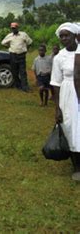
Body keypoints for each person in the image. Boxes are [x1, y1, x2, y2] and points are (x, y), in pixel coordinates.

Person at [50, 22, 80, 181]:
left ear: (75, 35)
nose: (64, 38)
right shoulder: (59, 57)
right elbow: (55, 83)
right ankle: (76, 167)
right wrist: (57, 108)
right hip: (68, 95)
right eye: (61, 36)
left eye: (67, 35)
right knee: (70, 129)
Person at [1, 22, 32, 91]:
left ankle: (25, 87)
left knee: (22, 72)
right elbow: (2, 42)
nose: (13, 29)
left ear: (17, 28)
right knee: (14, 71)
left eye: (14, 28)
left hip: (21, 55)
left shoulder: (23, 34)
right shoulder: (9, 36)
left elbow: (29, 42)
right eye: (12, 28)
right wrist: (8, 46)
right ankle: (18, 85)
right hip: (13, 55)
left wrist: (26, 49)